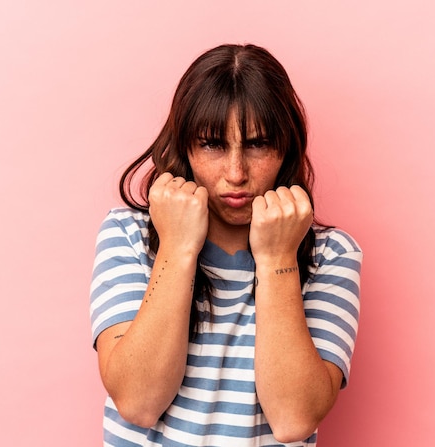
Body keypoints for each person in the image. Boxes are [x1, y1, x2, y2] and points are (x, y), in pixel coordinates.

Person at [89, 43, 362, 447]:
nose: (236, 173)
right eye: (213, 144)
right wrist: (178, 247)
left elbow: (294, 419)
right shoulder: (128, 234)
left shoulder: (332, 255)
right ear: (185, 146)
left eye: (257, 144)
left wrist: (276, 258)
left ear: (286, 147)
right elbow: (137, 402)